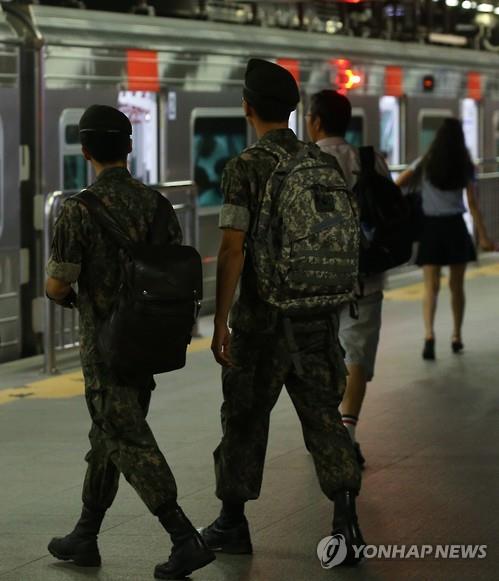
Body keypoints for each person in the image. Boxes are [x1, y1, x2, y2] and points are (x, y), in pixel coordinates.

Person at [199, 60, 364, 565]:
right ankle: (346, 521)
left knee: (244, 419)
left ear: (247, 107)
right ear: (294, 112)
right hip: (315, 317)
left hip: (262, 320)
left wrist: (220, 321)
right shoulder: (320, 161)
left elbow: (232, 249)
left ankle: (232, 522)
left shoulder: (245, 167)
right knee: (324, 418)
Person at [45, 105, 214, 580]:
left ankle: (184, 538)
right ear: (130, 147)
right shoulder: (158, 205)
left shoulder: (78, 209)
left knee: (126, 437)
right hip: (149, 342)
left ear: (85, 151)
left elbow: (57, 285)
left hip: (105, 348)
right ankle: (85, 534)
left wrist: (76, 297)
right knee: (109, 433)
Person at [306, 89, 390, 468]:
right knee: (356, 355)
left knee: (318, 357)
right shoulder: (368, 161)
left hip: (313, 279)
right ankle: (347, 433)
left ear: (316, 122)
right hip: (363, 276)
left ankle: (325, 433)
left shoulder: (304, 163)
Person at [396, 118, 494, 360]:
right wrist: (483, 236)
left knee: (431, 286)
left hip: (431, 229)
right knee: (456, 286)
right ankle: (456, 336)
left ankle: (429, 335)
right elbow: (472, 204)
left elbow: (398, 184)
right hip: (455, 228)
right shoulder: (465, 165)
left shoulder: (425, 163)